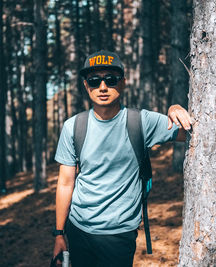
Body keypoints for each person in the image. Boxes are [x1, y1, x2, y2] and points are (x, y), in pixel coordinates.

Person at [52, 50, 192, 267]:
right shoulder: (73, 126)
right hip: (78, 230)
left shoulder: (141, 122)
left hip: (120, 235)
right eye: (94, 80)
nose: (103, 87)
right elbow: (65, 183)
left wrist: (175, 108)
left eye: (110, 79)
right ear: (86, 85)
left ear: (123, 83)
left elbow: (189, 132)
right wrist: (59, 234)